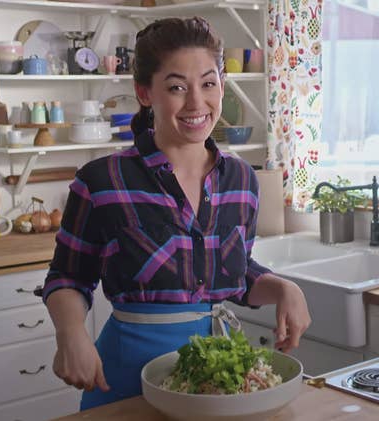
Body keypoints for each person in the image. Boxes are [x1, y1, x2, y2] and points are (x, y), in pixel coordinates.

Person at [40, 16, 311, 411]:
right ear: (145, 93)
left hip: (214, 379)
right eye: (176, 87)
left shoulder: (241, 179)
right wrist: (70, 333)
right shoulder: (102, 181)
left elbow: (233, 274)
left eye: (208, 84)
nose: (196, 103)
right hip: (127, 373)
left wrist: (286, 289)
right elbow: (68, 276)